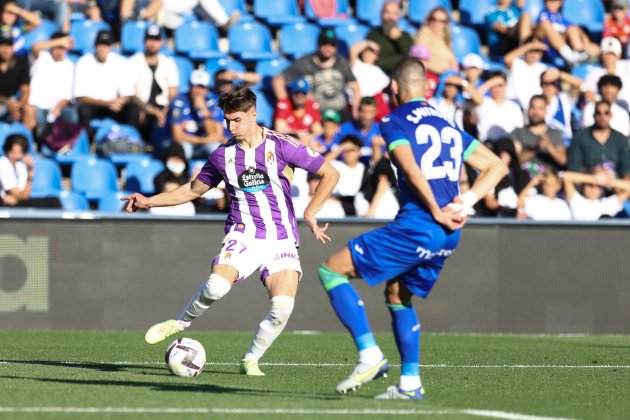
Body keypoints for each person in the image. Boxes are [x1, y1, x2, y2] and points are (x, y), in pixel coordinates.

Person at [317, 58, 507, 399]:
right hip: (450, 230)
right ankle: (410, 384)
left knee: (331, 271)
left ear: (394, 88)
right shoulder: (448, 124)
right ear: (426, 87)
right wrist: (465, 203)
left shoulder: (393, 121)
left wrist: (436, 209)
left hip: (422, 223)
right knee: (398, 295)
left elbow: (411, 167)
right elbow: (496, 166)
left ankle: (369, 355)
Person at [121, 87, 340, 376]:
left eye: (236, 120)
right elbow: (191, 189)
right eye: (227, 121)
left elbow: (330, 173)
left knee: (283, 308)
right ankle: (181, 322)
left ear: (253, 114)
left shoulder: (282, 146)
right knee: (215, 286)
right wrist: (148, 201)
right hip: (244, 233)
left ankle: (251, 359)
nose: (230, 127)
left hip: (282, 238)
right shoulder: (223, 156)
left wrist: (310, 212)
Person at [273, 28, 360, 120]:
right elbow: (278, 81)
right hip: (314, 115)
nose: (328, 48)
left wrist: (355, 111)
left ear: (336, 47)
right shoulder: (304, 63)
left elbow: (356, 88)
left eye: (332, 45)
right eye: (324, 43)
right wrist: (287, 106)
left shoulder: (341, 63)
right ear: (318, 44)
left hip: (339, 113)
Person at [73, 30, 136, 139]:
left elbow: (128, 93)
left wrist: (121, 101)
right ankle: (88, 143)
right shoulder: (84, 62)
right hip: (94, 105)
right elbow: (81, 97)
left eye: (106, 45)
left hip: (113, 105)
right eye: (100, 45)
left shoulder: (120, 62)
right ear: (95, 46)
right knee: (84, 110)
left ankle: (130, 141)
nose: (103, 49)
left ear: (110, 47)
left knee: (133, 109)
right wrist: (106, 103)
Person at [128, 23, 179, 142]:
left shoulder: (169, 63)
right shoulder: (133, 62)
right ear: (144, 41)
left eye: (156, 39)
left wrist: (165, 112)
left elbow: (173, 93)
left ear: (161, 42)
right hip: (141, 107)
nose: (152, 43)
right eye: (149, 39)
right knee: (133, 112)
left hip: (163, 107)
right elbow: (130, 94)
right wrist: (150, 110)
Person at [28, 31, 77, 140]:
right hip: (36, 105)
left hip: (57, 107)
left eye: (62, 48)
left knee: (71, 116)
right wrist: (60, 41)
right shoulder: (42, 57)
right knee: (38, 118)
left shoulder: (70, 65)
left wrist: (58, 107)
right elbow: (35, 47)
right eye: (57, 47)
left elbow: (67, 95)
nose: (59, 51)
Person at [169, 69, 225, 159]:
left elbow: (217, 134)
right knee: (184, 149)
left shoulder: (213, 102)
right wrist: (201, 141)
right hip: (188, 143)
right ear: (190, 87)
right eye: (194, 86)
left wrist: (203, 110)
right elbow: (177, 135)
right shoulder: (179, 101)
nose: (198, 91)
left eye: (202, 87)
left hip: (205, 144)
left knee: (216, 148)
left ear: (207, 89)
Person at [568, 100, 630, 179]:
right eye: (598, 113)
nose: (602, 117)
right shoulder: (580, 137)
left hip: (614, 185)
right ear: (594, 115)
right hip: (587, 183)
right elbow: (574, 168)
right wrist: (592, 172)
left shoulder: (621, 139)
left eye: (606, 113)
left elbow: (626, 170)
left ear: (611, 115)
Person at [0, 134, 60, 208]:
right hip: (4, 204)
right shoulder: (3, 163)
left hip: (17, 202)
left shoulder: (20, 166)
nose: (16, 155)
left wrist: (30, 173)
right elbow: (19, 195)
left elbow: (24, 196)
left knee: (54, 201)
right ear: (8, 150)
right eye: (14, 151)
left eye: (20, 152)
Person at [511, 94, 566, 171]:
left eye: (540, 108)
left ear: (546, 111)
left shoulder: (555, 133)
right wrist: (536, 148)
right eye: (532, 108)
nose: (535, 112)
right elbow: (516, 161)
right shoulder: (518, 132)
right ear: (528, 110)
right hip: (525, 176)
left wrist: (549, 146)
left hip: (549, 177)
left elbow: (563, 161)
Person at [534, 0, 599, 65]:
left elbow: (572, 27)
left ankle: (580, 52)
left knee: (573, 29)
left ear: (560, 3)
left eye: (554, 1)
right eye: (548, 1)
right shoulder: (544, 14)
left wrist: (585, 39)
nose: (550, 4)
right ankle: (570, 56)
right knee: (547, 25)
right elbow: (544, 28)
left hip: (567, 42)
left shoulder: (560, 16)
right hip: (551, 43)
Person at [365, 0, 413, 75]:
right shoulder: (373, 34)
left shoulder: (405, 36)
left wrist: (399, 38)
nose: (390, 17)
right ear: (381, 14)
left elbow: (411, 59)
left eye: (394, 13)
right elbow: (372, 60)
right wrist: (400, 59)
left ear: (398, 17)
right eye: (387, 12)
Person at [562, 168, 629, 221]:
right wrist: (593, 179)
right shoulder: (576, 199)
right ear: (584, 186)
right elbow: (566, 176)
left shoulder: (607, 203)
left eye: (598, 186)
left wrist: (607, 181)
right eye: (590, 185)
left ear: (601, 189)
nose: (593, 189)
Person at [0, 28, 35, 129]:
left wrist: (21, 104)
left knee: (29, 111)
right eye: (2, 45)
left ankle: (25, 141)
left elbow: (25, 88)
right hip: (4, 102)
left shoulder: (21, 62)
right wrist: (7, 102)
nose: (5, 49)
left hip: (12, 102)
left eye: (9, 45)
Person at [476, 71, 524, 142]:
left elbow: (519, 130)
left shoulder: (514, 107)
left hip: (508, 145)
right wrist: (490, 83)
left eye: (500, 85)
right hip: (487, 144)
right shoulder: (483, 102)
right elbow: (473, 95)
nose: (497, 89)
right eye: (494, 86)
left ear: (506, 86)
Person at [273, 77, 322, 145]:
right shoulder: (284, 104)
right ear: (291, 93)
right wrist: (299, 136)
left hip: (307, 143)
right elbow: (279, 131)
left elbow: (318, 132)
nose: (300, 96)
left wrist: (306, 138)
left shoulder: (313, 105)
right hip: (289, 143)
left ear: (307, 94)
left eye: (303, 93)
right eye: (296, 92)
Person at [504, 36, 548, 109]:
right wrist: (530, 46)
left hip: (534, 108)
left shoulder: (543, 68)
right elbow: (507, 59)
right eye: (531, 50)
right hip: (513, 104)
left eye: (537, 51)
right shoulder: (516, 62)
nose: (534, 53)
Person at [414, 7, 458, 75]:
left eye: (442, 21)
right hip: (431, 75)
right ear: (429, 19)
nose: (437, 23)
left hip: (448, 75)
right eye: (434, 19)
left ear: (446, 23)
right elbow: (421, 61)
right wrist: (443, 70)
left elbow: (452, 60)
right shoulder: (423, 35)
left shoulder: (446, 38)